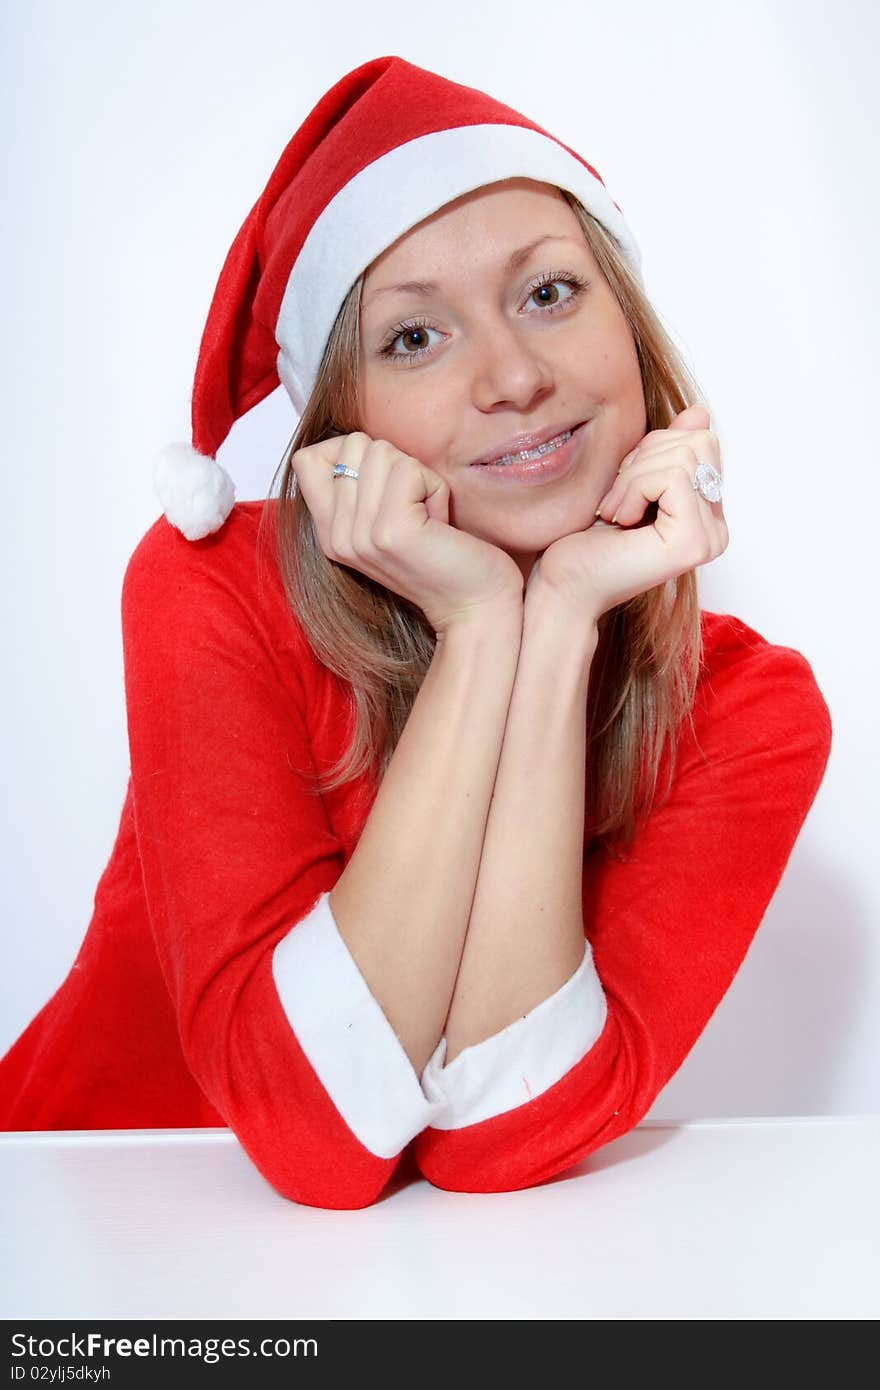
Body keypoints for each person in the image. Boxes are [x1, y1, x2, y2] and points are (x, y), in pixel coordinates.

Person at [0, 55, 831, 1209]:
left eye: (548, 293)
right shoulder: (211, 590)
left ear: (629, 324)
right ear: (343, 423)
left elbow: (499, 1138)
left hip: (455, 1289)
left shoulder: (750, 712)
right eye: (414, 339)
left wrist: (553, 624)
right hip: (75, 1222)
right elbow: (312, 1143)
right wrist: (479, 621)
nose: (513, 377)